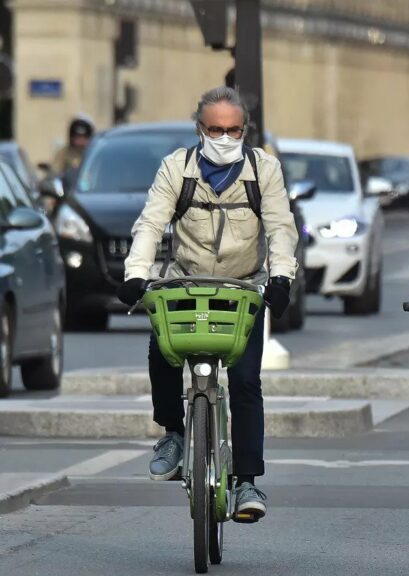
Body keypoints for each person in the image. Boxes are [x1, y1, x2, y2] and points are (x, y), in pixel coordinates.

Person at [115, 86, 299, 522]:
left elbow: (281, 227)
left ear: (245, 130)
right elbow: (151, 221)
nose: (224, 137)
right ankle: (174, 434)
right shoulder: (176, 167)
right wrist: (135, 274)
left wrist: (282, 277)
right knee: (161, 350)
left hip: (242, 286)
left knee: (247, 380)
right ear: (200, 128)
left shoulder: (263, 170)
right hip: (187, 280)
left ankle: (249, 482)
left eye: (233, 130)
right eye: (215, 129)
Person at [52, 117, 93, 182]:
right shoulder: (63, 153)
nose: (81, 141)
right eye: (78, 137)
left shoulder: (94, 154)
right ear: (72, 138)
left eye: (84, 138)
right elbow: (55, 172)